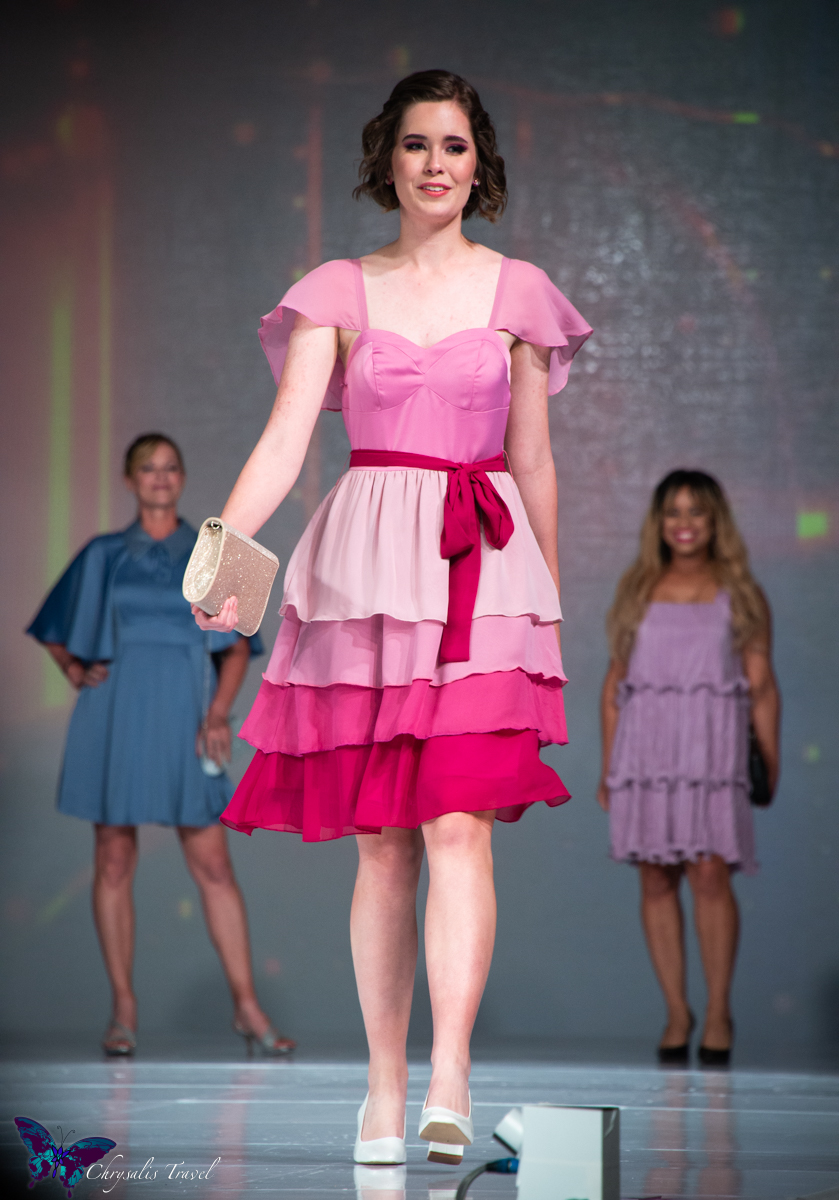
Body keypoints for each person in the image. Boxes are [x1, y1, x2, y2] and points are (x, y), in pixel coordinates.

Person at [194, 70, 591, 1164]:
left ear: (479, 162)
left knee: (459, 822)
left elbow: (533, 461)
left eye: (454, 146)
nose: (434, 164)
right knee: (381, 842)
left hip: (482, 568)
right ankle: (381, 1087)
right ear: (388, 159)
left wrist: (546, 602)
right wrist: (221, 544)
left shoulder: (518, 292)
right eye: (416, 144)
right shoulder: (337, 289)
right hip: (366, 565)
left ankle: (448, 1072)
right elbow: (287, 437)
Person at [27, 433, 295, 1058]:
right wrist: (73, 669)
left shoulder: (211, 551)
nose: (160, 476)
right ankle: (123, 1008)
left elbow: (237, 647)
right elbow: (54, 626)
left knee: (214, 866)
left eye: (170, 467)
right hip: (116, 716)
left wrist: (219, 713)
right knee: (113, 861)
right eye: (148, 468)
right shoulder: (103, 554)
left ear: (182, 477)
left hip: (185, 717)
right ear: (129, 479)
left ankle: (247, 1006)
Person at [598, 469, 780, 1065]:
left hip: (713, 752)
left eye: (696, 511)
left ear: (714, 520)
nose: (684, 523)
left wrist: (770, 758)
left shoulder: (741, 592)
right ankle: (677, 1011)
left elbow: (761, 686)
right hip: (647, 752)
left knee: (709, 873)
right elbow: (614, 686)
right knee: (655, 878)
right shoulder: (637, 589)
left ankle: (719, 1010)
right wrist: (610, 768)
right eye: (673, 512)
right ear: (658, 522)